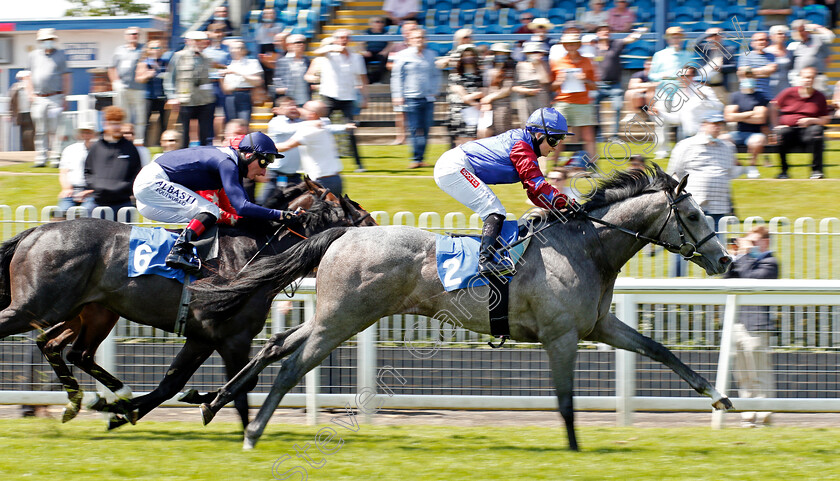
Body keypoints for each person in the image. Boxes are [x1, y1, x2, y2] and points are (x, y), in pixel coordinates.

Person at [433, 107, 580, 276]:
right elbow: (538, 187)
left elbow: (535, 193)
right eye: (554, 140)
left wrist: (563, 206)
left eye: (560, 140)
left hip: (455, 165)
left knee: (494, 209)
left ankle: (489, 255)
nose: (555, 147)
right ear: (539, 135)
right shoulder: (522, 148)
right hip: (453, 167)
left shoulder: (526, 146)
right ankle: (485, 261)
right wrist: (569, 203)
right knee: (493, 209)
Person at [133, 131, 298, 273]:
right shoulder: (228, 164)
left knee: (207, 219)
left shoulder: (233, 165)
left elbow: (243, 210)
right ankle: (179, 252)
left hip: (149, 199)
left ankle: (189, 253)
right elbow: (242, 208)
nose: (263, 171)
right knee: (210, 211)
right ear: (248, 155)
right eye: (263, 162)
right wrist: (281, 215)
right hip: (152, 183)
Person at [723, 225, 779, 428]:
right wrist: (732, 259)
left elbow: (751, 281)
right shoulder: (744, 262)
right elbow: (726, 280)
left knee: (759, 373)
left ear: (766, 242)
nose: (751, 246)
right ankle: (748, 415)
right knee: (743, 374)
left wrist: (744, 255)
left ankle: (764, 416)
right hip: (738, 324)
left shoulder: (770, 263)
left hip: (757, 326)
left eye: (755, 242)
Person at [666, 111, 742, 229]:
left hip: (719, 207)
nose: (718, 127)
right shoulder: (686, 145)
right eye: (714, 124)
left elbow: (729, 173)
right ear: (704, 125)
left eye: (720, 124)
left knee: (717, 243)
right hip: (694, 206)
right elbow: (674, 174)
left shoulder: (728, 147)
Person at [311, 29, 368, 172]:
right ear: (335, 39)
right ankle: (315, 161)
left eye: (346, 37)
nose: (344, 40)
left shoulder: (356, 58)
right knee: (320, 128)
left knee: (350, 131)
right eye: (340, 37)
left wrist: (365, 97)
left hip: (348, 97)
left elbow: (363, 79)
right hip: (329, 96)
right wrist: (332, 47)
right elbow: (317, 52)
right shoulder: (329, 53)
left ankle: (359, 165)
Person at [275, 100, 356, 196]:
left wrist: (262, 147)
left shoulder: (309, 130)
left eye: (304, 109)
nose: (300, 110)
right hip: (336, 179)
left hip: (320, 182)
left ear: (312, 114)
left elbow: (286, 146)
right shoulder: (322, 124)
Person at [391, 28, 441, 168]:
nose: (419, 40)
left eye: (421, 37)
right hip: (410, 97)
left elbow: (436, 75)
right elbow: (397, 77)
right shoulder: (402, 55)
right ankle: (415, 158)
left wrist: (434, 91)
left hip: (428, 98)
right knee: (414, 129)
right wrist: (397, 95)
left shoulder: (431, 55)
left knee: (425, 128)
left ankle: (421, 158)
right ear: (409, 40)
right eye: (415, 38)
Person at [770, 66, 830, 179]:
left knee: (817, 131)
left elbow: (825, 119)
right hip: (790, 131)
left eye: (811, 78)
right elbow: (773, 106)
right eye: (806, 77)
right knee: (781, 133)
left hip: (809, 132)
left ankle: (816, 171)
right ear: (800, 78)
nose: (808, 80)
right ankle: (784, 171)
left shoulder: (820, 97)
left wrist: (811, 120)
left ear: (814, 79)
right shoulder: (789, 93)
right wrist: (776, 126)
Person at [82, 106, 142, 215]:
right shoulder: (96, 147)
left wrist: (126, 189)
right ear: (105, 124)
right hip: (97, 203)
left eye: (119, 123)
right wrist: (96, 186)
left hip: (122, 204)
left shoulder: (130, 148)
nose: (116, 127)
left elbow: (137, 173)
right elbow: (88, 171)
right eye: (112, 123)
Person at [648, 26, 697, 158]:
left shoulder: (688, 55)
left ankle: (683, 148)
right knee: (661, 121)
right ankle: (662, 150)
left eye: (678, 36)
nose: (676, 39)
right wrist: (665, 76)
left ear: (682, 39)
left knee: (684, 119)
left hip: (683, 92)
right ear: (668, 39)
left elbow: (693, 73)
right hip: (664, 91)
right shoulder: (659, 55)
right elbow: (652, 75)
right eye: (673, 36)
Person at [592, 25, 646, 140]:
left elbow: (630, 39)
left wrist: (639, 32)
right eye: (601, 31)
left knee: (617, 108)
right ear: (597, 33)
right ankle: (598, 135)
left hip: (614, 85)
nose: (605, 32)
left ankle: (614, 136)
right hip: (597, 85)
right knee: (593, 107)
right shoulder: (593, 47)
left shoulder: (616, 44)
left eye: (607, 31)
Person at [27, 28, 71, 167]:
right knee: (41, 129)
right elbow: (27, 76)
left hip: (56, 97)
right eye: (45, 40)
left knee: (56, 129)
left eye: (50, 40)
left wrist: (65, 97)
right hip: (39, 98)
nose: (48, 42)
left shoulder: (61, 55)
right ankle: (41, 158)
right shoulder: (33, 55)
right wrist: (31, 94)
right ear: (40, 41)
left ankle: (56, 158)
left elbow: (66, 77)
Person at [550, 33, 598, 161]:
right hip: (563, 102)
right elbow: (552, 87)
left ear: (579, 45)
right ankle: (553, 166)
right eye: (568, 44)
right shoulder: (557, 62)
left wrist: (586, 80)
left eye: (574, 43)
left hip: (583, 102)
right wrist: (559, 81)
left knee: (588, 137)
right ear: (564, 46)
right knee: (557, 136)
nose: (571, 46)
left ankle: (593, 166)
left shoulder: (587, 61)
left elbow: (595, 86)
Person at [165, 31, 216, 148]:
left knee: (206, 133)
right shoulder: (179, 56)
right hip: (185, 100)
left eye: (201, 41)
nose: (199, 44)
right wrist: (172, 96)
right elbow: (169, 78)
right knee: (184, 133)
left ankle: (206, 157)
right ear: (188, 41)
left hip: (205, 100)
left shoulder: (207, 59)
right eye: (196, 41)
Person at [723, 77, 770, 179]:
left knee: (757, 141)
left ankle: (751, 166)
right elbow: (728, 117)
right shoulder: (735, 96)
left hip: (755, 133)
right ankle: (738, 165)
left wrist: (739, 116)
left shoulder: (761, 97)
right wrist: (751, 113)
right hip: (739, 133)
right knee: (723, 139)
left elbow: (760, 119)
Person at [262, 96, 305, 203]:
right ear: (277, 110)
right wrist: (311, 124)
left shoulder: (300, 122)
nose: (294, 107)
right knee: (266, 203)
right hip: (277, 174)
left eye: (295, 105)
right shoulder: (276, 122)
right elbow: (288, 129)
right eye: (289, 105)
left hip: (294, 175)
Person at [110, 27, 146, 144]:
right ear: (126, 36)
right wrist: (115, 82)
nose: (133, 36)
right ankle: (124, 140)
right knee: (124, 115)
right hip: (122, 88)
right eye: (131, 34)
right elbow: (112, 67)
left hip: (138, 89)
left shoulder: (143, 49)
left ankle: (139, 140)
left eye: (136, 34)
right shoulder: (119, 50)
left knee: (140, 116)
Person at [448, 45, 486, 146]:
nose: (468, 58)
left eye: (470, 55)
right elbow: (462, 94)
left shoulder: (480, 74)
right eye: (465, 55)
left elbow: (483, 91)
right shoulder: (455, 75)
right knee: (460, 143)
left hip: (475, 113)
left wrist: (472, 96)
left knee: (474, 141)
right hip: (459, 113)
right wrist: (473, 100)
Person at [57, 122, 98, 215]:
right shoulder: (70, 150)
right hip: (72, 190)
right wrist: (66, 188)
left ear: (94, 134)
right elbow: (63, 172)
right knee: (60, 213)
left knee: (86, 213)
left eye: (89, 132)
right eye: (84, 132)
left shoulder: (100, 150)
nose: (86, 135)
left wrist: (90, 191)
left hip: (92, 192)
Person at [135, 40, 169, 147]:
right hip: (149, 97)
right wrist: (148, 75)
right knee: (146, 123)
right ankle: (145, 145)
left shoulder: (165, 63)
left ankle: (162, 145)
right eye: (153, 48)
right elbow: (138, 79)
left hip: (162, 97)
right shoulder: (144, 63)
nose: (156, 50)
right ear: (148, 50)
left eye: (158, 48)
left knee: (164, 124)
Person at [222, 40, 263, 125]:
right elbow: (225, 87)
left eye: (239, 48)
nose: (235, 50)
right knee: (231, 124)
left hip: (245, 94)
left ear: (244, 50)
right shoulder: (227, 64)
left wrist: (237, 73)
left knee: (244, 123)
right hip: (230, 96)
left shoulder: (252, 63)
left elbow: (258, 81)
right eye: (232, 48)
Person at [788, 21, 835, 94]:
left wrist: (816, 26)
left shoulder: (817, 39)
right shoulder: (793, 45)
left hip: (817, 78)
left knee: (818, 99)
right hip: (799, 78)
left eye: (802, 30)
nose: (801, 33)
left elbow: (830, 36)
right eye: (798, 31)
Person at [480, 43, 516, 137]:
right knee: (489, 131)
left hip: (503, 104)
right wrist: (485, 101)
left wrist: (489, 97)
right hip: (489, 105)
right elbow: (486, 86)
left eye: (502, 53)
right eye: (497, 53)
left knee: (502, 130)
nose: (499, 55)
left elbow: (507, 89)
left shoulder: (510, 69)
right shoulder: (489, 68)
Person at [696, 27, 737, 106]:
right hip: (706, 86)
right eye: (712, 36)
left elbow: (734, 67)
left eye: (717, 35)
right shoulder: (706, 48)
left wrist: (720, 68)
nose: (714, 37)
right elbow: (696, 44)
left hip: (720, 87)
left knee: (723, 110)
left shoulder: (729, 49)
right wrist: (707, 34)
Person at [513, 42, 551, 127]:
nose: (534, 55)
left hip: (541, 99)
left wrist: (538, 65)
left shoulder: (545, 65)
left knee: (542, 125)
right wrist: (526, 91)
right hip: (524, 99)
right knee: (526, 125)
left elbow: (546, 80)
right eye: (531, 53)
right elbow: (514, 86)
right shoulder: (520, 66)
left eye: (537, 52)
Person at [274, 34, 311, 107]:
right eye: (298, 42)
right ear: (289, 45)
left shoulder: (306, 60)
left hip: (305, 99)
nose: (301, 45)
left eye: (303, 42)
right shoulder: (282, 61)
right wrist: (281, 88)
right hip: (289, 101)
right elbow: (277, 78)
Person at [737, 32, 777, 99]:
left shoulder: (771, 56)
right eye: (760, 40)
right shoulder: (746, 55)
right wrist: (764, 71)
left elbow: (771, 70)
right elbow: (743, 73)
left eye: (766, 40)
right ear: (752, 43)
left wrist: (751, 72)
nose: (763, 42)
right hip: (748, 93)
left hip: (766, 94)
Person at [764, 25, 793, 98]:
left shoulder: (790, 52)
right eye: (779, 34)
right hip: (769, 86)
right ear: (771, 36)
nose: (782, 36)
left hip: (785, 85)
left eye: (784, 34)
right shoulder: (765, 51)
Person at [8, 70, 35, 151]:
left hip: (31, 112)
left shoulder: (32, 87)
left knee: (30, 132)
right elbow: (11, 101)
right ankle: (27, 149)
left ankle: (30, 149)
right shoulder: (16, 87)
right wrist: (10, 114)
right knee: (25, 133)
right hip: (21, 114)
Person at [361, 17, 391, 84]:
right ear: (371, 24)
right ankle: (366, 78)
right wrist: (364, 51)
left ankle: (373, 78)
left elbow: (391, 43)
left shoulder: (386, 32)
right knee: (361, 60)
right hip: (370, 52)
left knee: (385, 61)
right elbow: (360, 43)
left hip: (381, 52)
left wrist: (385, 51)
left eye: (382, 22)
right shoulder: (367, 32)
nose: (380, 23)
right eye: (377, 22)